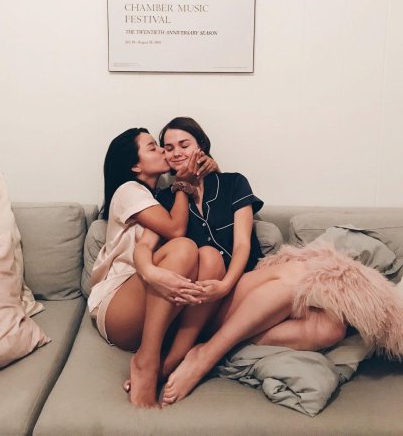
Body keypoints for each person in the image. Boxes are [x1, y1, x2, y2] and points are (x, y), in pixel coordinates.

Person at [132, 117, 348, 405]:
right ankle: (201, 357)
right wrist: (149, 272)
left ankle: (216, 345)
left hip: (241, 287)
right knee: (294, 276)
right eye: (168, 148)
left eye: (184, 144)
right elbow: (145, 246)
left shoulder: (232, 183)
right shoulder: (166, 198)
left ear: (201, 147)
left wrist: (225, 285)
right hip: (199, 303)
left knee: (333, 328)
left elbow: (243, 243)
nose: (176, 153)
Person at [88, 127, 219, 408]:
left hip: (150, 309)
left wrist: (207, 170)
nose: (162, 151)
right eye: (153, 147)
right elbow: (175, 229)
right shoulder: (128, 190)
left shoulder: (159, 197)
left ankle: (168, 364)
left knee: (210, 256)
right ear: (135, 165)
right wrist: (182, 183)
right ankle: (146, 362)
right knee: (184, 247)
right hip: (117, 308)